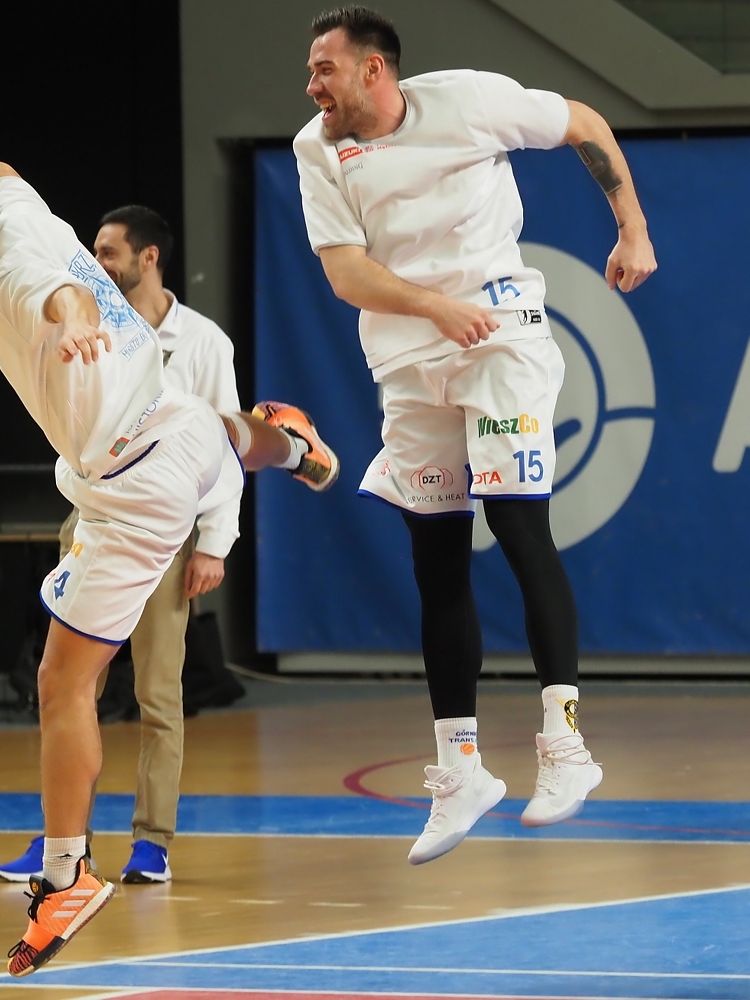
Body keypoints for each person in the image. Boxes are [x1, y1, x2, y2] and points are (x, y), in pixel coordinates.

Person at [0, 160, 335, 975]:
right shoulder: (15, 210)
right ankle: (290, 443)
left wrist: (73, 319)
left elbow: (59, 294)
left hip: (134, 490)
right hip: (171, 421)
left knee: (62, 685)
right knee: (222, 431)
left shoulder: (13, 279)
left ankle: (65, 877)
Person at [294, 7, 657, 864]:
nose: (311, 87)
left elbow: (584, 123)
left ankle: (564, 746)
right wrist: (431, 308)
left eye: (324, 69)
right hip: (407, 359)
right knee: (436, 561)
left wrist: (631, 227)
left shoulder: (467, 101)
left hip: (501, 341)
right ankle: (461, 771)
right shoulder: (318, 149)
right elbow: (344, 272)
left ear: (374, 70)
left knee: (519, 527)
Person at [0, 205, 240, 887]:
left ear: (148, 257)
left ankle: (152, 840)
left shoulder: (204, 342)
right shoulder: (93, 317)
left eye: (109, 252)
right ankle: (62, 840)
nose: (98, 262)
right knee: (68, 686)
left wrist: (215, 542)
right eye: (94, 251)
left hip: (163, 529)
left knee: (158, 690)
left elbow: (226, 438)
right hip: (91, 515)